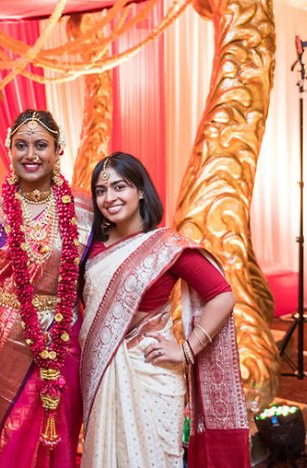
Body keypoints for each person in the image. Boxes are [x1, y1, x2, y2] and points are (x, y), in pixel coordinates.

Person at [79, 152, 250, 467]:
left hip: (150, 373)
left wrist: (188, 350)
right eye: (101, 191)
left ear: (141, 190)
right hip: (103, 372)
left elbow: (222, 296)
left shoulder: (166, 247)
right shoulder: (92, 246)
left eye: (120, 187)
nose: (109, 198)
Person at [0, 109, 91, 466]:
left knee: (59, 438)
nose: (30, 155)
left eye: (41, 145)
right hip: (3, 341)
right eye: (21, 145)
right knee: (8, 439)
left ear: (57, 151)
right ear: (10, 149)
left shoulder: (84, 210)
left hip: (64, 341)